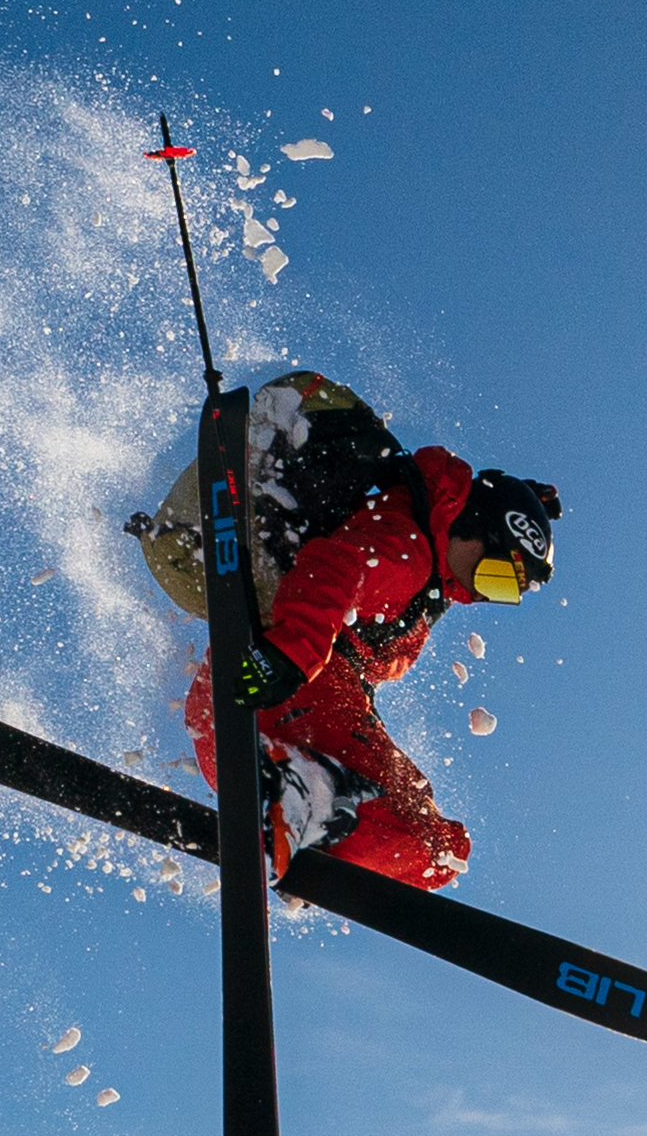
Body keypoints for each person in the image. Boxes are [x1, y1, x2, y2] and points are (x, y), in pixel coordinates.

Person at [151, 371, 559, 890]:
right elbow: (339, 568)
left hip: (243, 702)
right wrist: (293, 653)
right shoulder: (407, 546)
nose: (481, 593)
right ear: (473, 528)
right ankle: (307, 799)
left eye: (502, 591)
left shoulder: (425, 566)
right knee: (432, 846)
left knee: (438, 848)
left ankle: (303, 806)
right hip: (287, 685)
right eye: (494, 575)